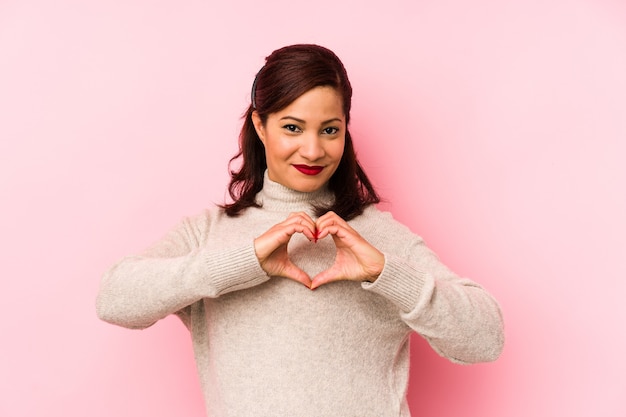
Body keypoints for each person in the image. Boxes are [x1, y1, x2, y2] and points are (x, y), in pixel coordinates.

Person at [96, 44, 504, 417]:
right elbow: (115, 299)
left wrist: (385, 274)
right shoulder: (210, 233)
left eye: (330, 130)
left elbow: (486, 338)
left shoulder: (376, 237)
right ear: (260, 125)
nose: (312, 150)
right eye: (292, 127)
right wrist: (243, 262)